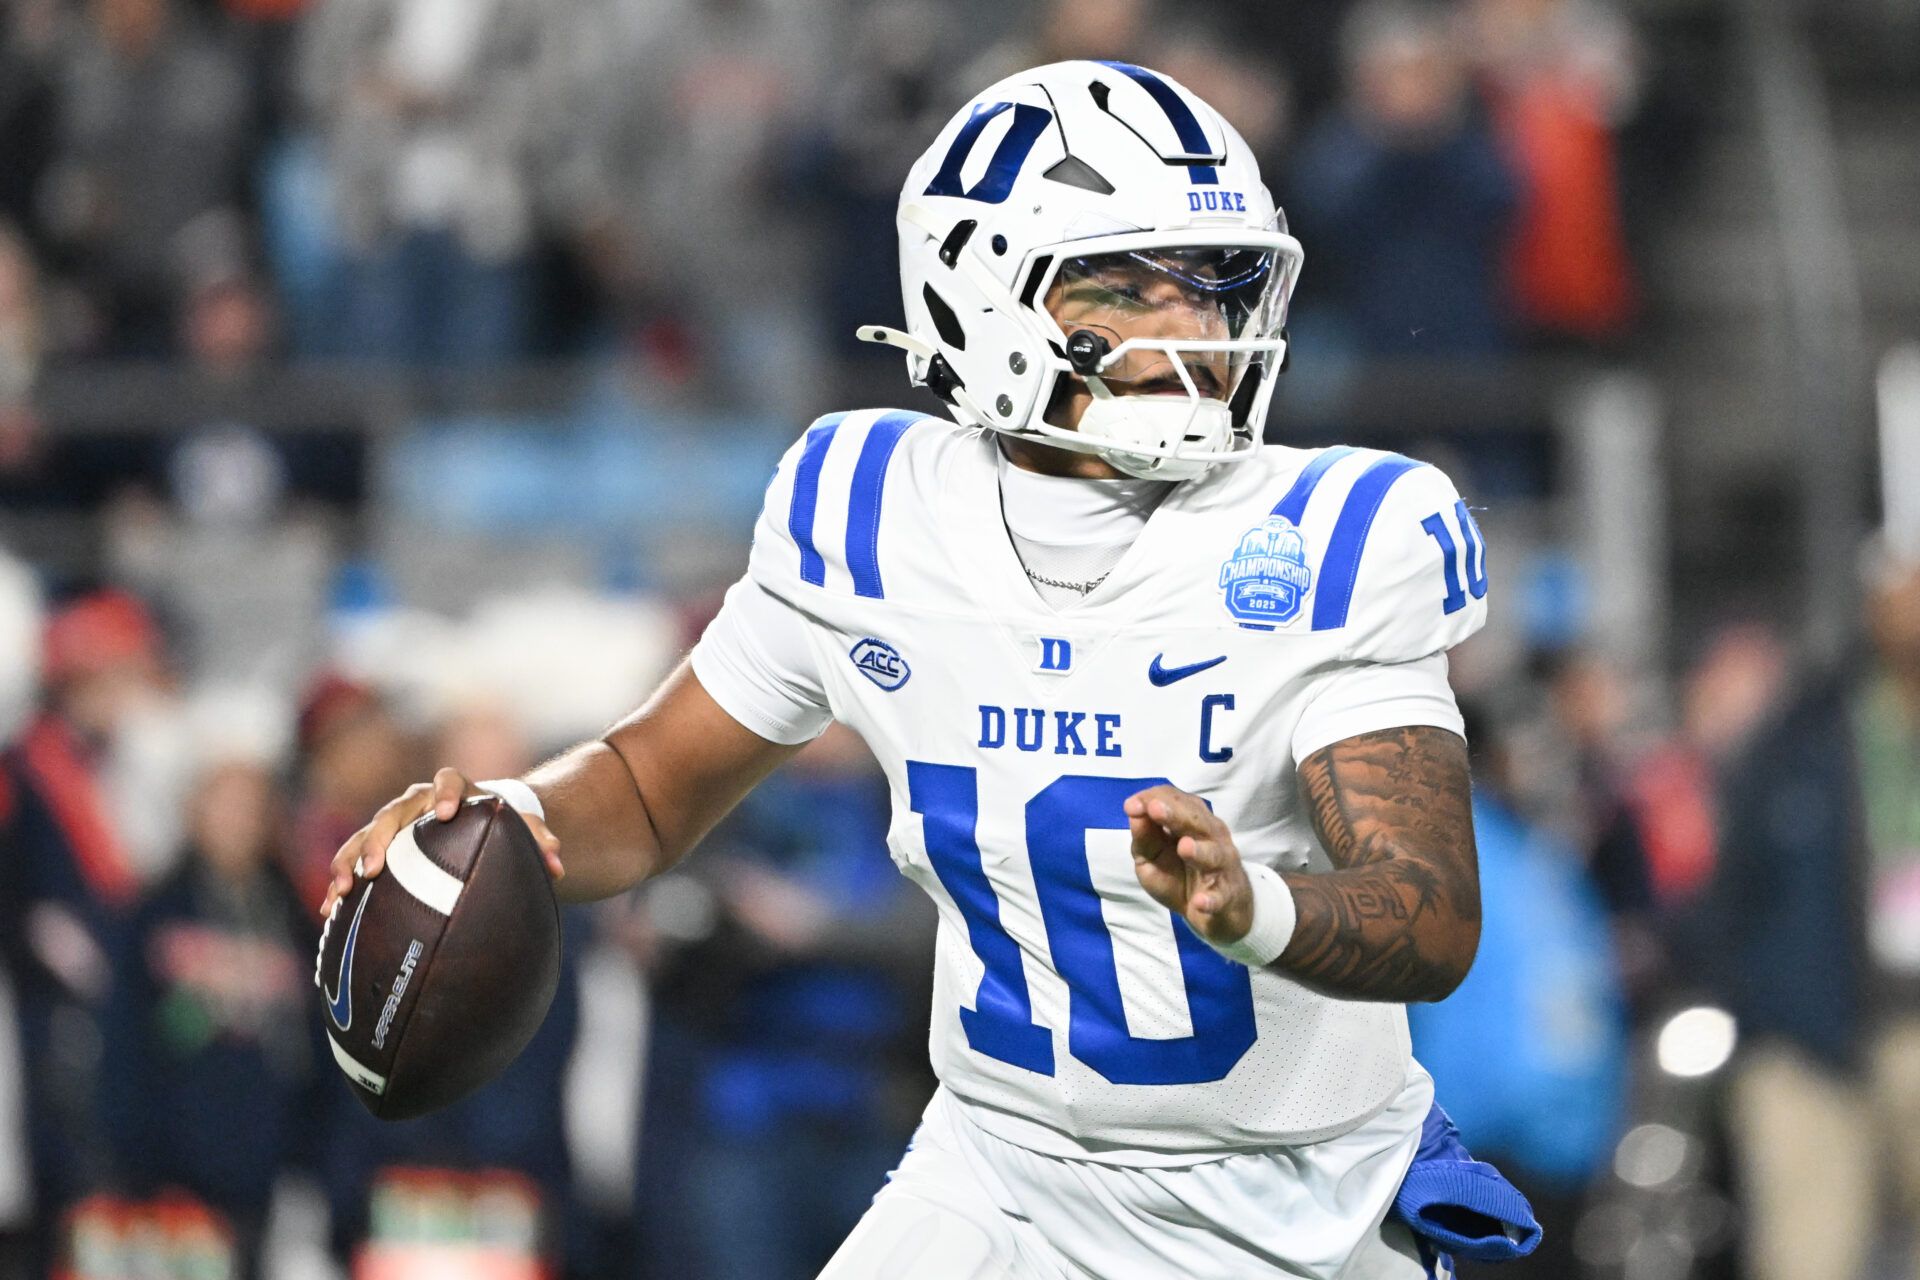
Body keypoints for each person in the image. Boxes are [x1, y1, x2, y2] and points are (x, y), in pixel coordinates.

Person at [324, 61, 1509, 1278]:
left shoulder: (1338, 533)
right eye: (1123, 283)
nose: (1191, 326)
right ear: (979, 293)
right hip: (1003, 1173)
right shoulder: (869, 513)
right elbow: (643, 789)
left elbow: (1429, 910)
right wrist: (503, 817)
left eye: (1214, 280)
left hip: (1292, 1203)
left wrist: (1251, 902)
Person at [1708, 546, 1920, 1280]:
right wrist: (1768, 1014)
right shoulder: (1804, 731)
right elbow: (1734, 894)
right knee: (1808, 1256)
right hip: (1815, 1041)